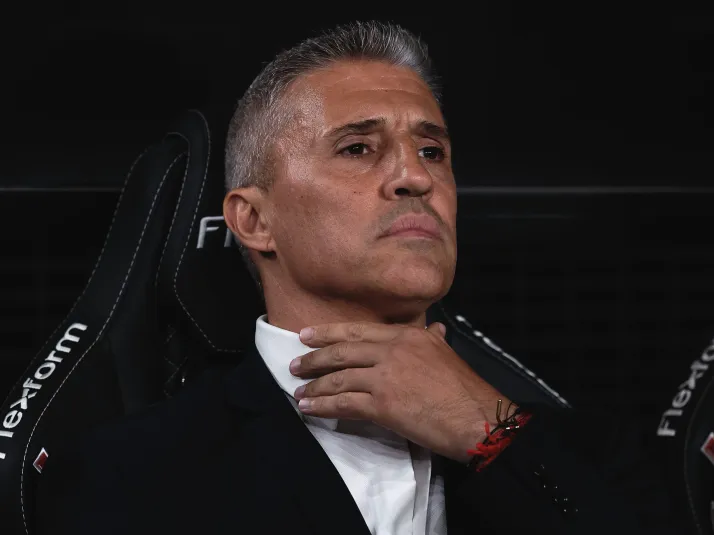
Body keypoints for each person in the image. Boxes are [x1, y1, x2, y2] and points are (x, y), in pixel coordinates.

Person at [35, 21, 675, 535]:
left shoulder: (594, 452)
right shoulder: (128, 471)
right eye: (358, 148)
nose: (416, 177)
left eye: (432, 151)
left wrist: (492, 435)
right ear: (254, 220)